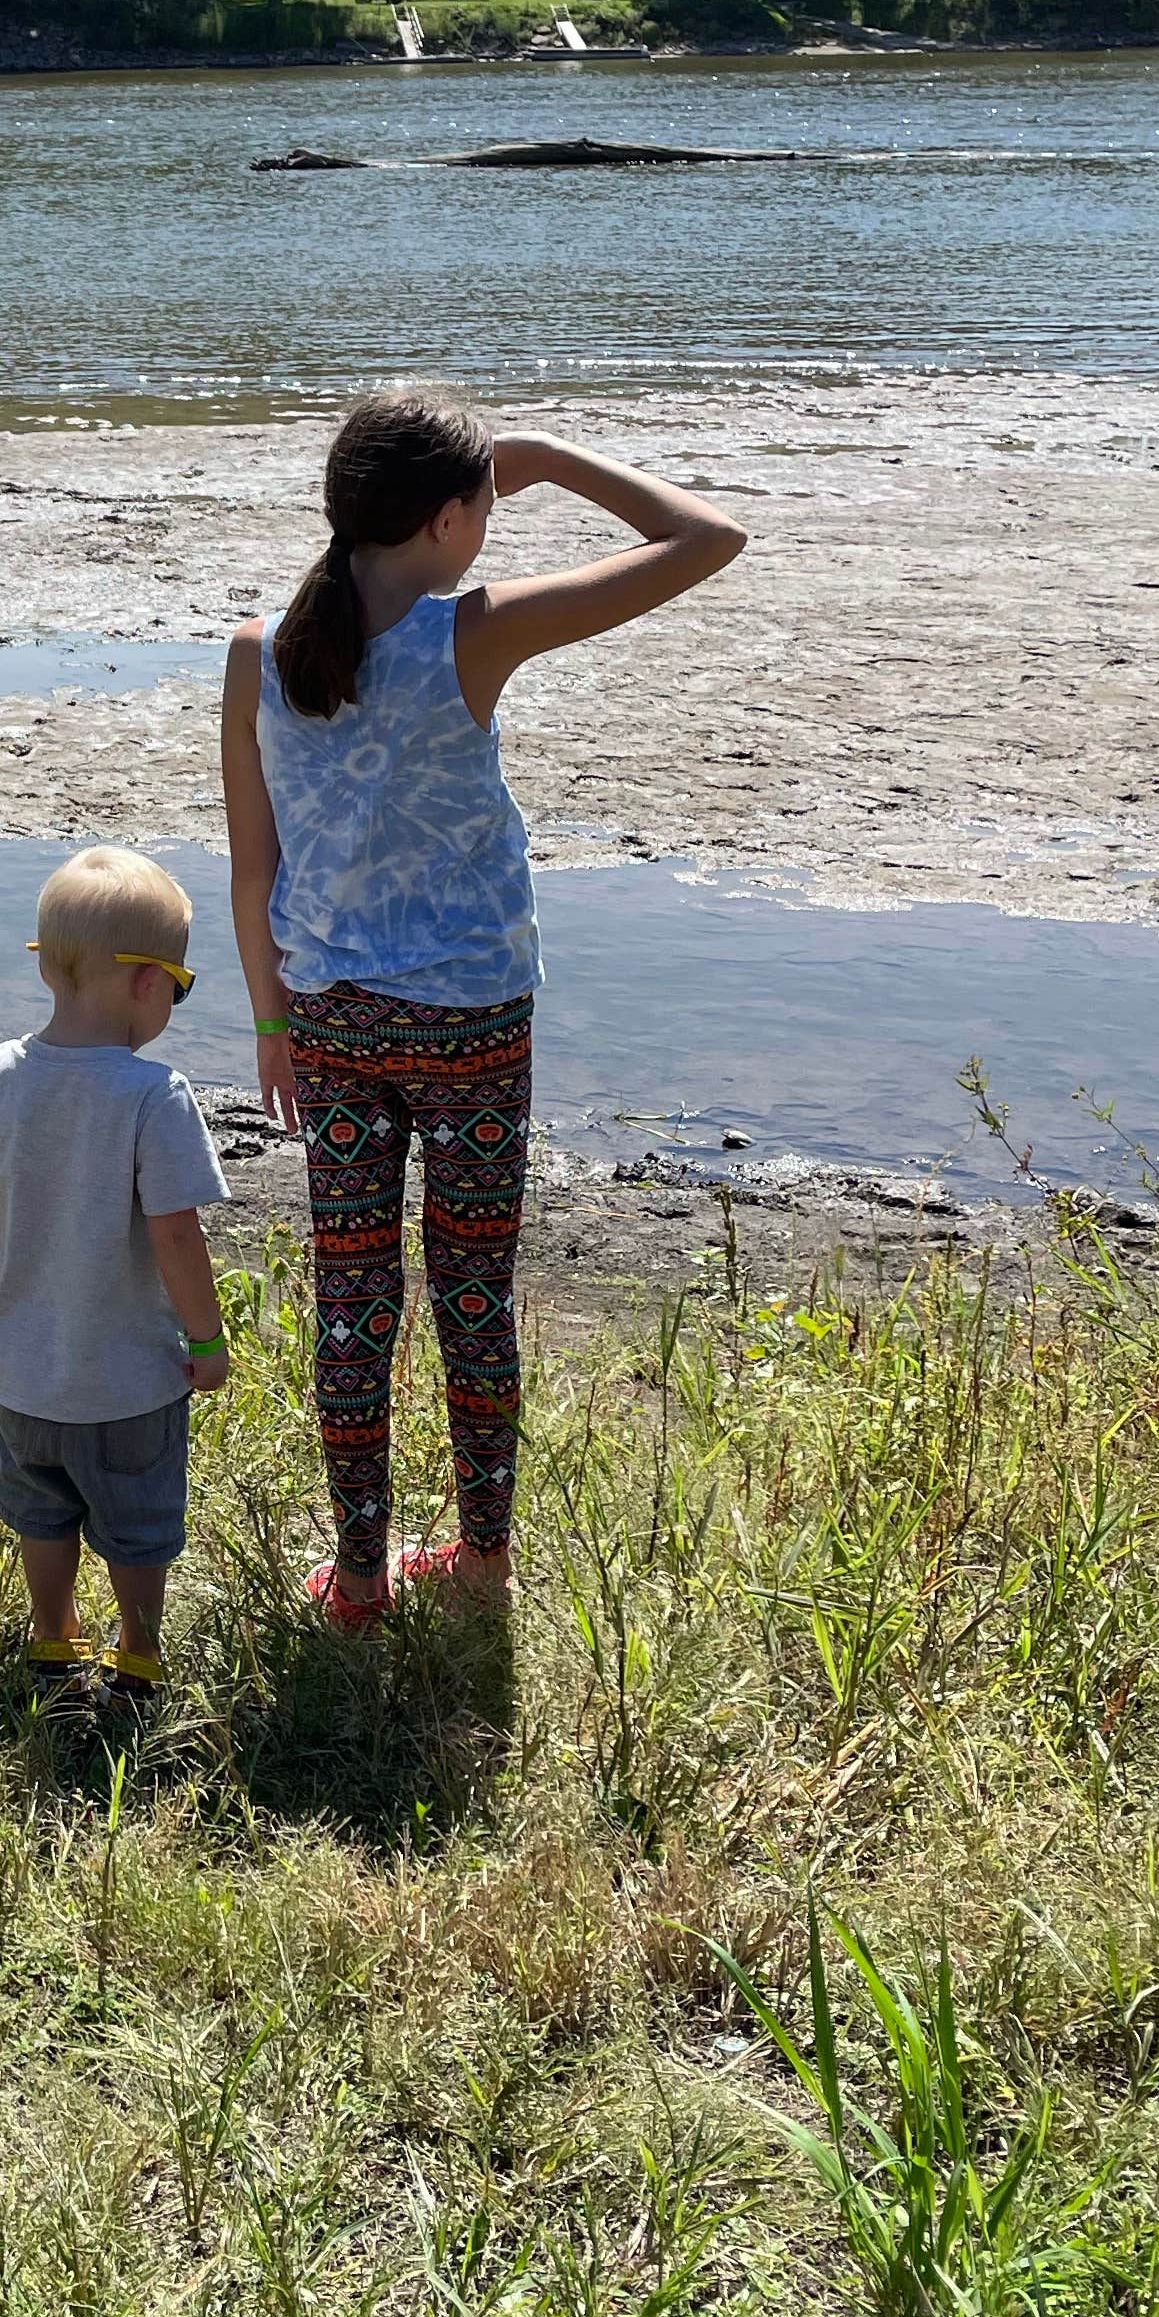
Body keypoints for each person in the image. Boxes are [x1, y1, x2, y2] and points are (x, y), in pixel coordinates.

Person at [222, 395, 745, 1627]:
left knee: (353, 1297)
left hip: (330, 1022)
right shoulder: (475, 631)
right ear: (450, 517)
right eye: (488, 509)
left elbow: (254, 871)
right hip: (469, 1024)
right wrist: (555, 457)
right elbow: (707, 536)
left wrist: (267, 1026)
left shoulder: (259, 648)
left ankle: (357, 1580)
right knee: (470, 1290)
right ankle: (483, 1566)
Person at [0, 848, 234, 1694]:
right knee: (137, 1526)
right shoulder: (154, 1095)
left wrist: (5, 1282)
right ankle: (137, 1648)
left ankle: (54, 1633)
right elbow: (177, 1237)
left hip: (23, 1371)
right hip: (130, 1381)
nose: (174, 1001)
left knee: (42, 1511)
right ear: (147, 983)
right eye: (180, 984)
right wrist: (207, 1341)